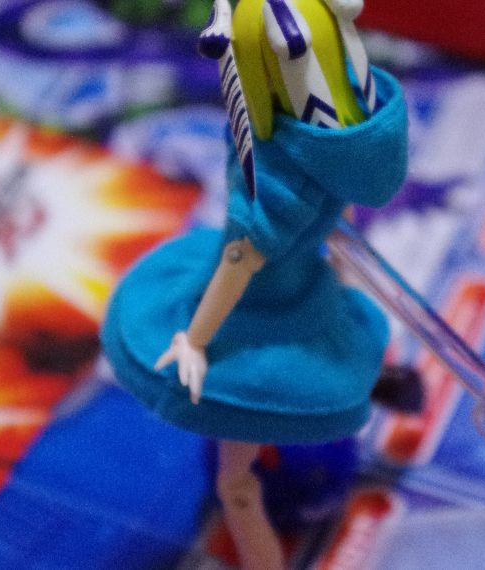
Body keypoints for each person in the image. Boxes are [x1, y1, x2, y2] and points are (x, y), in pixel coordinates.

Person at [101, 0, 407, 567]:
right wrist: (341, 291)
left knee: (237, 487)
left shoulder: (274, 174)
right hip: (306, 294)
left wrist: (194, 340)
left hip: (256, 328)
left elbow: (240, 260)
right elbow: (339, 228)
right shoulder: (337, 144)